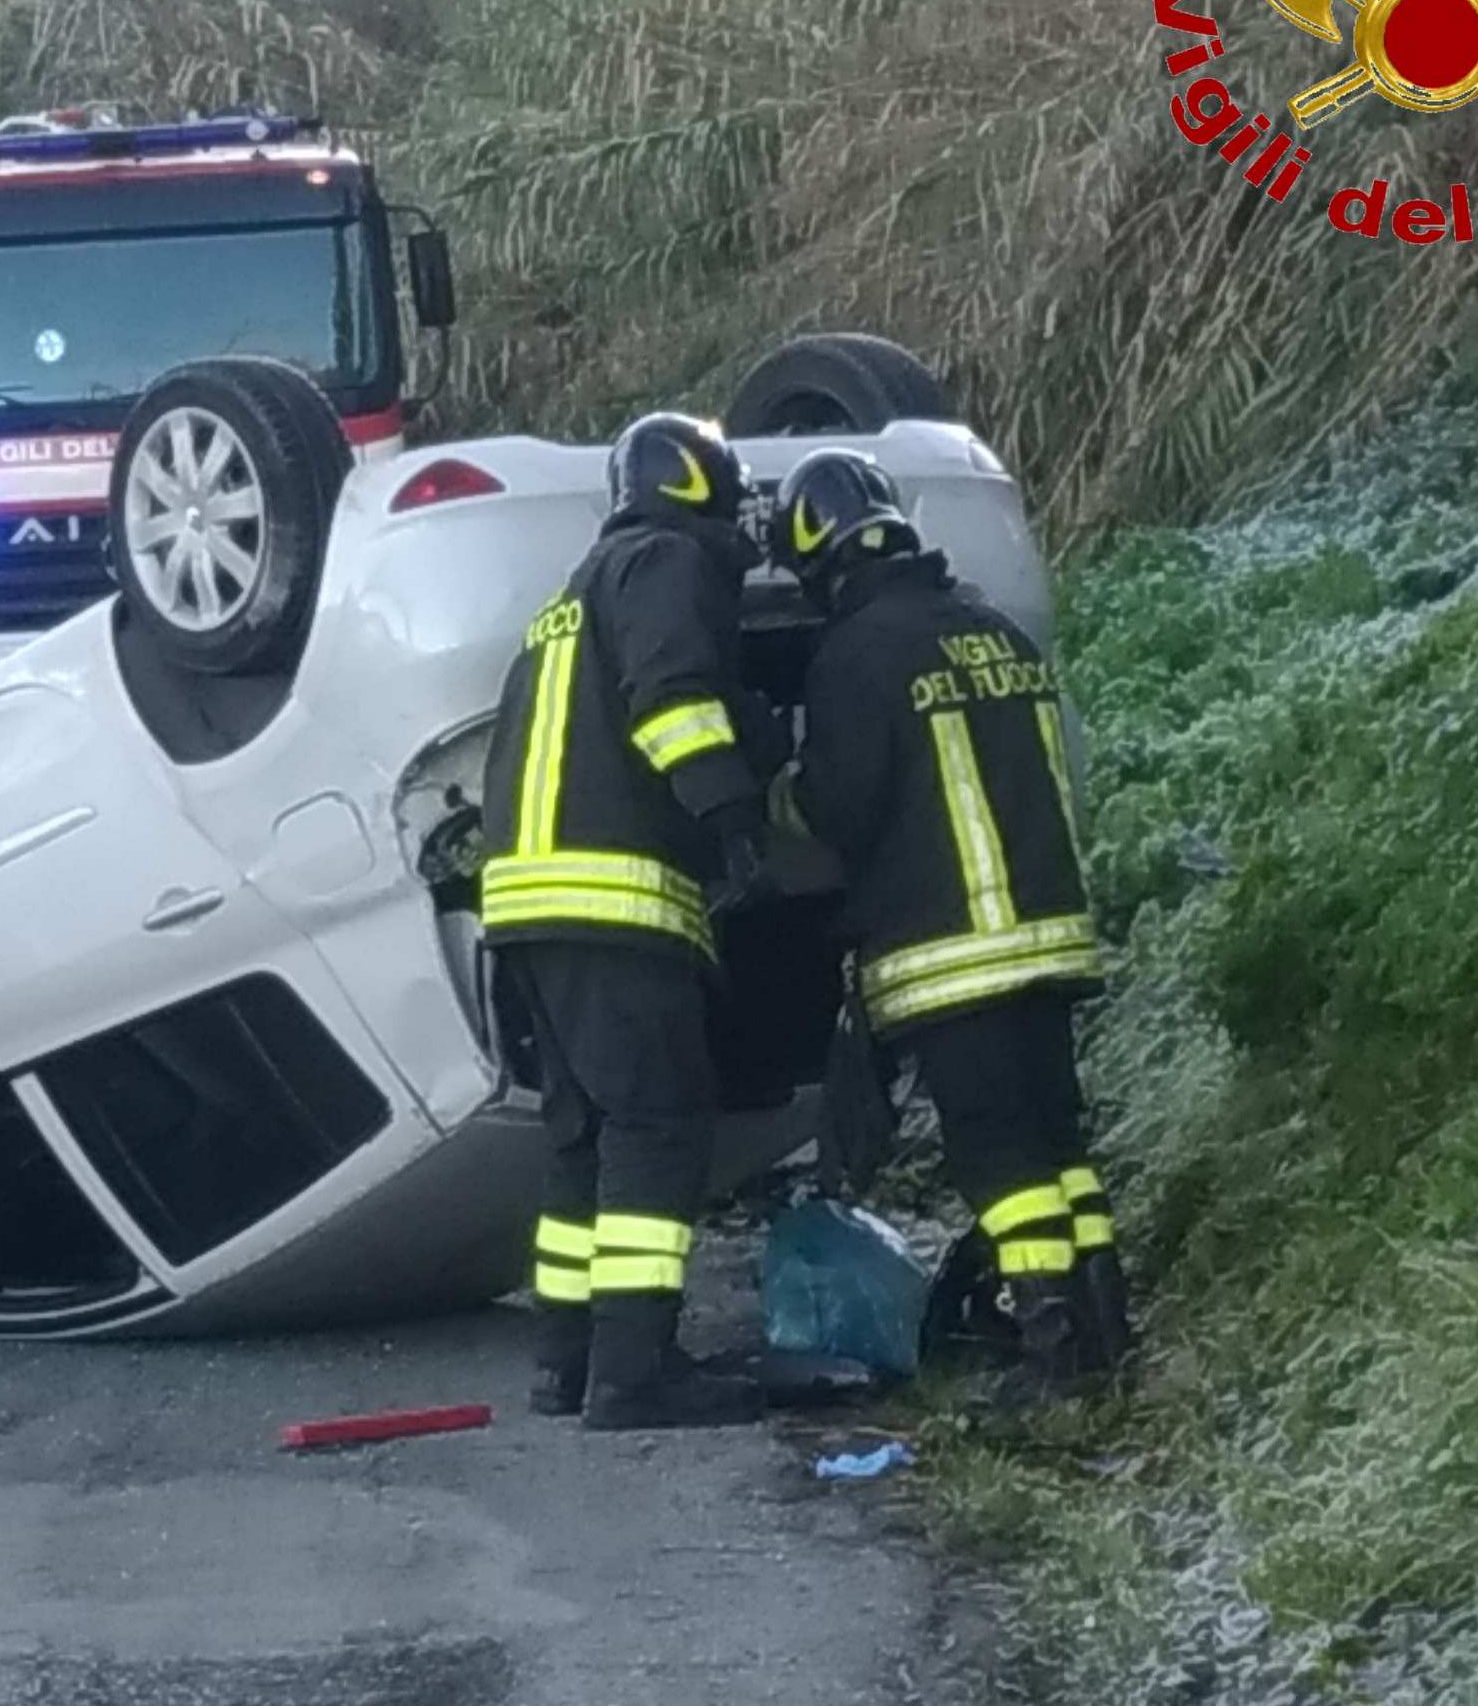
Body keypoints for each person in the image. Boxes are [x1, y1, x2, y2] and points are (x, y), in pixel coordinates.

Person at [771, 448, 1126, 1390]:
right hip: (1047, 941)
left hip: (953, 958)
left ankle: (1053, 1354)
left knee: (1000, 1162)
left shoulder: (856, 654)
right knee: (1059, 1148)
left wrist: (777, 799)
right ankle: (1105, 1329)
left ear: (816, 557)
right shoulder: (993, 631)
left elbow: (840, 806)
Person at [477, 411, 779, 1431]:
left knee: (585, 1139)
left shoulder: (568, 598)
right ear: (700, 482)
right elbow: (671, 701)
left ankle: (565, 1361)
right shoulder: (663, 562)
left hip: (528, 907)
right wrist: (731, 814)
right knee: (657, 1125)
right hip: (612, 900)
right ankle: (634, 1375)